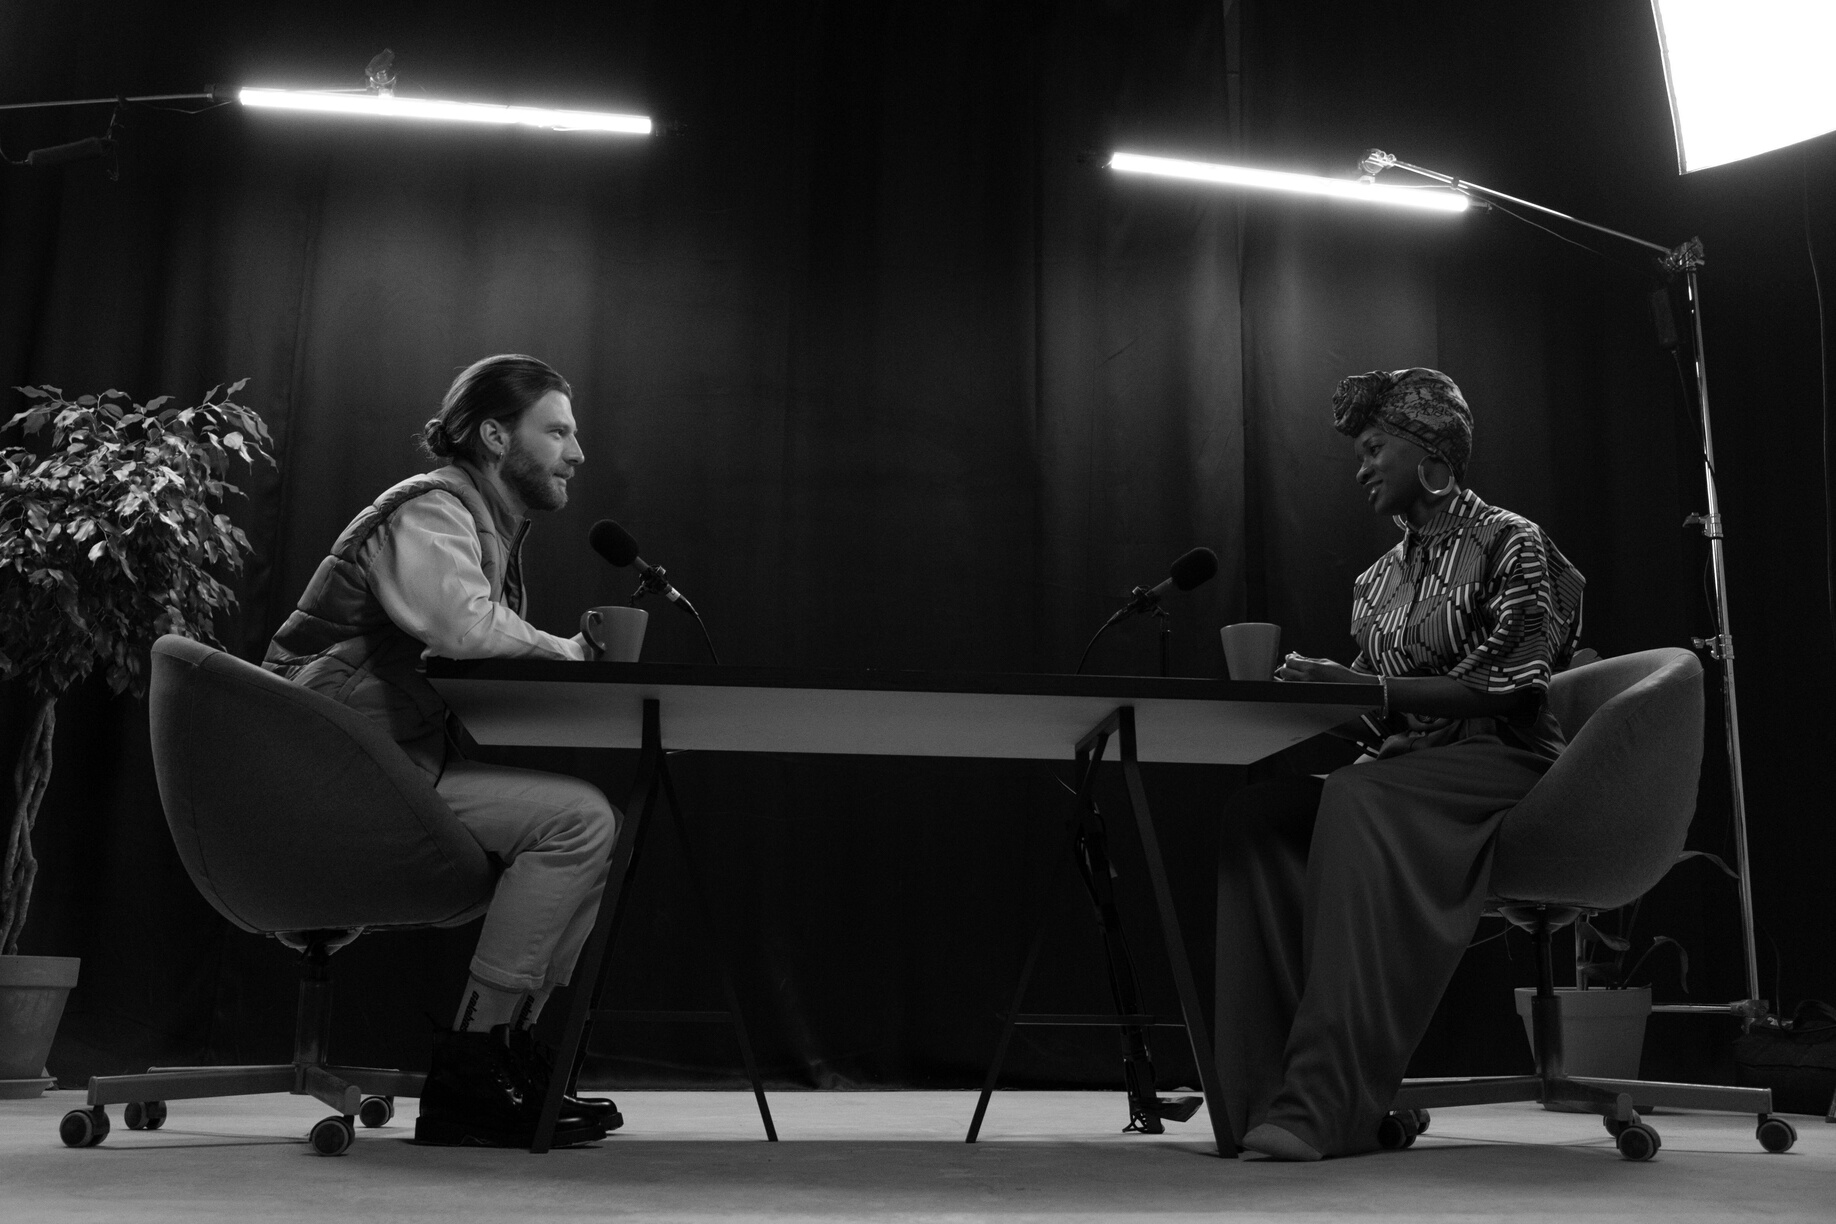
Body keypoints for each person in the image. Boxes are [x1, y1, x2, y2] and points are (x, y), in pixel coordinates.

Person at [1215, 367, 1585, 1161]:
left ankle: (1323, 1106)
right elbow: (1387, 705)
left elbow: (1508, 684)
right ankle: (1256, 1103)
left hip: (1507, 762)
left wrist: (1372, 687)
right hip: (1409, 766)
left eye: (1375, 447)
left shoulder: (1511, 541)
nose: (1359, 467)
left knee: (1354, 797)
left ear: (1431, 454)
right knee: (1262, 817)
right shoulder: (1374, 582)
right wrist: (1313, 694)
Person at [264, 354, 623, 1148]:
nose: (577, 451)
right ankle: (471, 1067)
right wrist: (570, 656)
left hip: (379, 761)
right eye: (557, 430)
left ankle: (510, 1057)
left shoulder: (483, 524)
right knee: (580, 822)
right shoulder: (430, 510)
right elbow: (462, 627)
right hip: (327, 771)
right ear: (495, 436)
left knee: (592, 828)